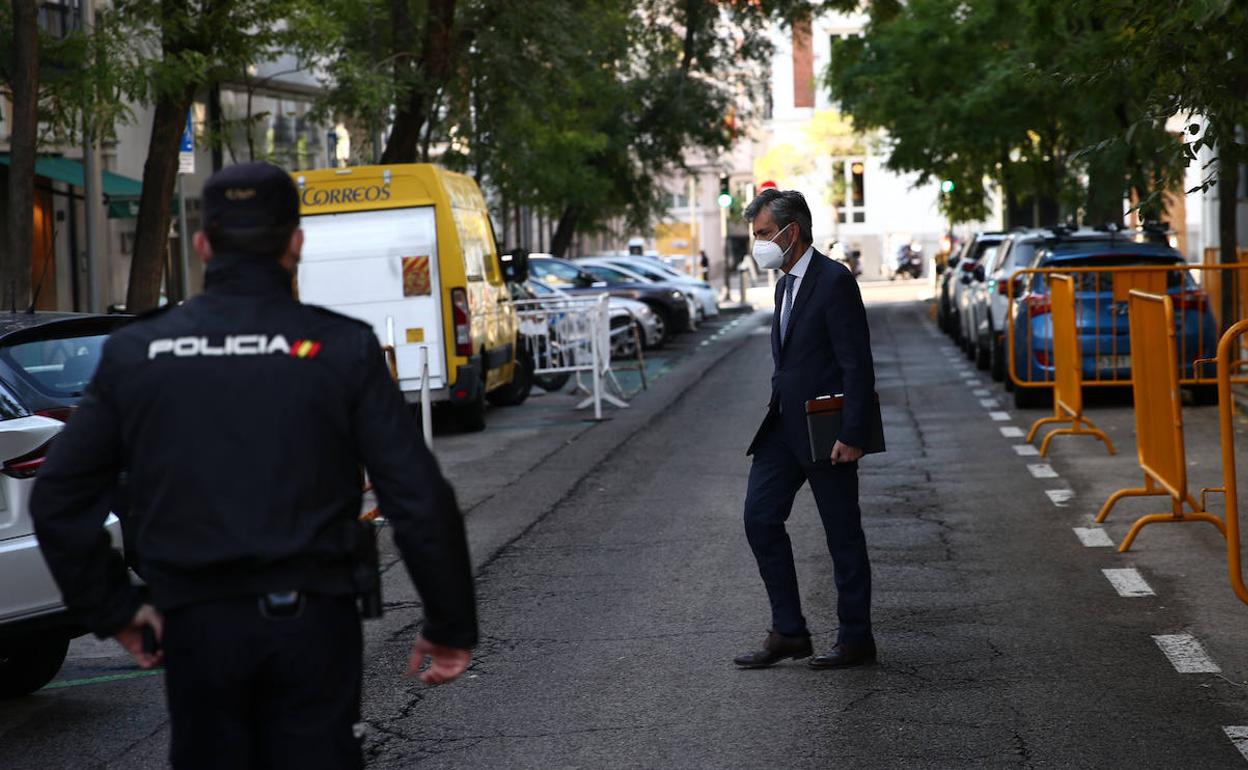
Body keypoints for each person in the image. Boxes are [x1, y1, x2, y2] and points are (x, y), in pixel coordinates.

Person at [31, 162, 478, 769]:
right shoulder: (339, 347)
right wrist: (449, 623)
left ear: (203, 244)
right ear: (295, 241)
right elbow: (418, 497)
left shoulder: (139, 351)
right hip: (313, 626)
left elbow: (58, 497)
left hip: (195, 629)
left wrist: (114, 611)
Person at [733, 188, 878, 671]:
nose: (759, 245)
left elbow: (856, 364)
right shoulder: (782, 285)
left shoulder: (834, 281)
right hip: (782, 428)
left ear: (791, 232)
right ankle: (789, 631)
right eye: (756, 235)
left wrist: (853, 433)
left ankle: (856, 638)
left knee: (842, 534)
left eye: (764, 234)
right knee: (759, 517)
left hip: (826, 428)